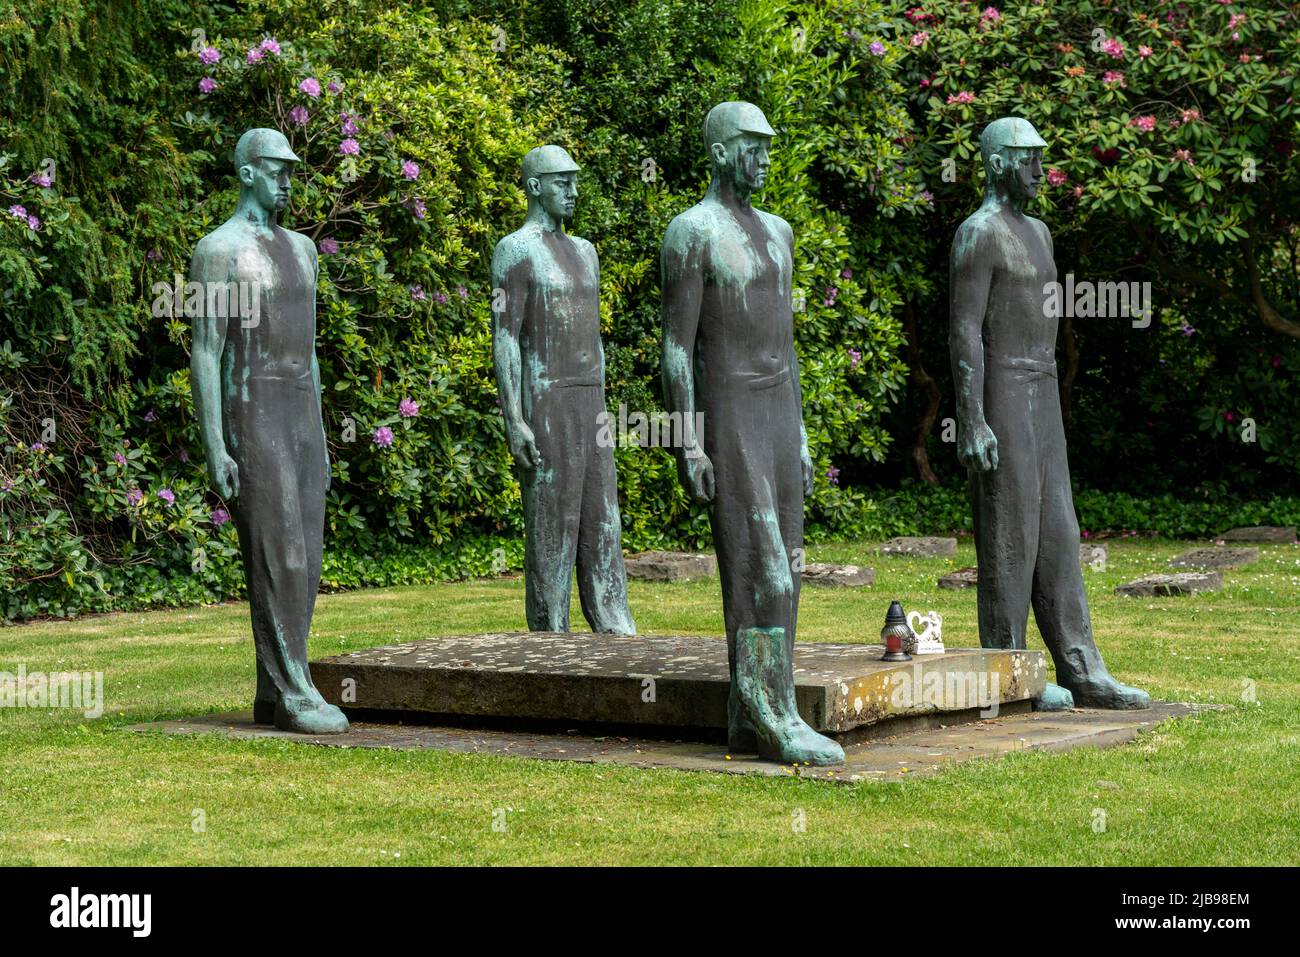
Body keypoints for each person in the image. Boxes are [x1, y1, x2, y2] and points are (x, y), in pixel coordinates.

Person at [661, 103, 843, 765]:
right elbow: (677, 349)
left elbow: (786, 345)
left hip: (777, 411)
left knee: (786, 562)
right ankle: (775, 711)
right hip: (730, 411)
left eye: (771, 146)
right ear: (719, 151)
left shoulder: (779, 232)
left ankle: (751, 709)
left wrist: (797, 431)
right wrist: (687, 438)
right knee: (764, 569)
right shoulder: (691, 233)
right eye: (754, 147)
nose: (766, 158)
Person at [949, 116, 1150, 710]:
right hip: (1002, 391)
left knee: (1058, 531)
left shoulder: (1039, 231)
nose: (1040, 168)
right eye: (1027, 157)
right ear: (996, 163)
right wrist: (972, 417)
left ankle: (1080, 664)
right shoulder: (977, 233)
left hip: (1040, 392)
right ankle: (1008, 669)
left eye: (1041, 157)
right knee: (1009, 530)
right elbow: (964, 331)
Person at [190, 128, 348, 734]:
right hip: (251, 410)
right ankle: (297, 690)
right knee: (277, 549)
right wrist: (215, 445)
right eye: (276, 169)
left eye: (290, 169)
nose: (287, 179)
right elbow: (206, 353)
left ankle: (273, 687)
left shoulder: (303, 250)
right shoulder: (218, 251)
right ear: (247, 172)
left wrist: (323, 438)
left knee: (306, 553)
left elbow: (309, 352)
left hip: (300, 409)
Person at [491, 145, 637, 634]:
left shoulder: (585, 251)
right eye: (562, 182)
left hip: (589, 399)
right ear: (535, 186)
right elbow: (506, 337)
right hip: (546, 401)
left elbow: (592, 336)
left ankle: (615, 629)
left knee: (603, 520)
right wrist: (515, 418)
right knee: (552, 529)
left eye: (575, 181)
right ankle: (550, 639)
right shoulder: (515, 250)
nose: (573, 191)